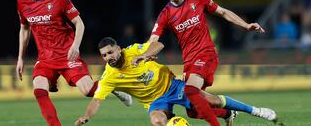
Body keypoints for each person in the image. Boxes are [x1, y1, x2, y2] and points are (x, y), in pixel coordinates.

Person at [148, 0, 279, 126]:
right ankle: (228, 113)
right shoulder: (166, 14)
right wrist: (147, 53)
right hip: (189, 61)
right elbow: (153, 39)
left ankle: (257, 112)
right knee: (194, 111)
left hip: (206, 54)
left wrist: (245, 25)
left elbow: (223, 12)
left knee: (190, 92)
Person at [16, 0, 132, 126]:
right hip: (46, 58)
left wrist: (75, 46)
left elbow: (79, 23)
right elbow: (24, 29)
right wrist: (20, 58)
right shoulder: (22, 2)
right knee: (39, 90)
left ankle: (112, 86)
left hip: (67, 54)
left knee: (87, 91)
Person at [74, 37, 237, 126]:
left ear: (118, 48)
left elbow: (158, 44)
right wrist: (86, 116)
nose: (108, 57)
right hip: (155, 101)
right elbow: (96, 100)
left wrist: (145, 55)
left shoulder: (133, 50)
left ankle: (230, 112)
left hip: (171, 85)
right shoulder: (109, 77)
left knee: (210, 102)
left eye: (110, 52)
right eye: (104, 55)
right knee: (157, 121)